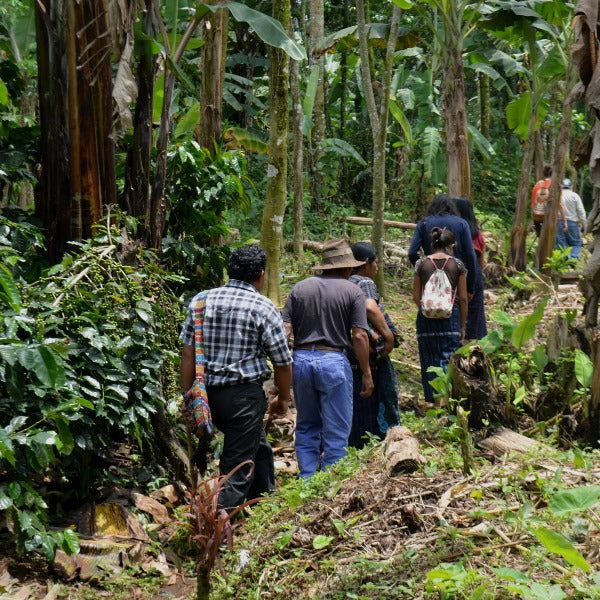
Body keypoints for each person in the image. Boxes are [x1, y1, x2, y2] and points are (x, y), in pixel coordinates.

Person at [180, 245, 293, 512]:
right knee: (236, 467)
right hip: (243, 398)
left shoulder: (200, 301)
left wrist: (189, 396)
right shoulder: (263, 307)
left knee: (259, 447)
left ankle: (265, 502)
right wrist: (284, 398)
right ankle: (215, 526)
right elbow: (282, 361)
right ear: (261, 275)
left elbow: (187, 353)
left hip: (206, 395)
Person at [282, 239, 374, 478]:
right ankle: (331, 481)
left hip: (301, 359)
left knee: (307, 423)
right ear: (346, 268)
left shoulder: (300, 288)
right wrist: (366, 371)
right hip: (333, 359)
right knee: (337, 427)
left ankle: (307, 478)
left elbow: (286, 329)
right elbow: (359, 335)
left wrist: (281, 364)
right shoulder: (353, 291)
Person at [347, 242, 400, 448]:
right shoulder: (364, 282)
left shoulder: (345, 281)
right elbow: (370, 307)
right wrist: (388, 335)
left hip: (348, 353)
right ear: (367, 263)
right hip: (366, 352)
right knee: (370, 399)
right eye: (376, 262)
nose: (377, 267)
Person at [412, 228, 468, 404]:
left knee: (429, 359)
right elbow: (464, 298)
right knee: (447, 358)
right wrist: (463, 326)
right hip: (450, 318)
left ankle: (433, 403)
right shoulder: (457, 265)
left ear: (433, 244)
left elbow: (415, 296)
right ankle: (446, 402)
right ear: (452, 246)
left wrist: (428, 309)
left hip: (425, 319)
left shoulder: (421, 264)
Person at [408, 194, 477, 299]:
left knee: (430, 306)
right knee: (454, 309)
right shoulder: (462, 224)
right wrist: (470, 287)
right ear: (451, 207)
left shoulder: (423, 224)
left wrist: (423, 269)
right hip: (456, 277)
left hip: (431, 276)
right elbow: (470, 256)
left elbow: (412, 252)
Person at [454, 197, 487, 340]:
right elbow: (480, 258)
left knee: (457, 305)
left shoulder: (455, 230)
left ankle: (458, 338)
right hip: (475, 271)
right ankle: (475, 342)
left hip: (456, 270)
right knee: (476, 311)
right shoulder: (477, 233)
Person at [555, 178, 587, 260]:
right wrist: (584, 223)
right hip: (572, 223)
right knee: (576, 242)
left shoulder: (557, 195)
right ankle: (573, 258)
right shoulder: (575, 196)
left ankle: (564, 261)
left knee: (561, 243)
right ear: (571, 186)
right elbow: (581, 211)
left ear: (561, 186)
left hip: (558, 222)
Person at [531, 166, 553, 237]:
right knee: (549, 237)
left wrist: (533, 214)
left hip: (537, 215)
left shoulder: (538, 184)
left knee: (540, 236)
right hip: (549, 215)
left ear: (543, 174)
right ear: (552, 174)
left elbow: (533, 202)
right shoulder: (554, 185)